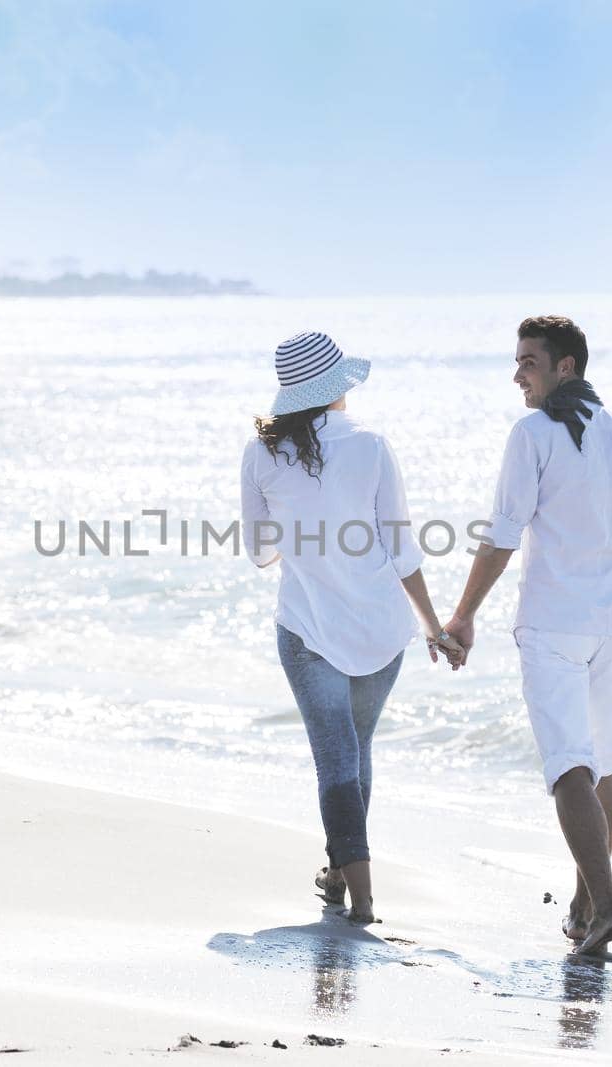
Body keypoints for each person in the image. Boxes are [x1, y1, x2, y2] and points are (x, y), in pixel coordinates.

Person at [442, 315, 612, 958]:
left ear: (566, 366)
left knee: (570, 769)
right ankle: (586, 908)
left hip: (553, 626)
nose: (517, 374)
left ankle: (608, 905)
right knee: (603, 769)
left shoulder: (532, 435)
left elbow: (503, 533)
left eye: (528, 361)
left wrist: (463, 615)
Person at [241, 331, 463, 925]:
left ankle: (360, 898)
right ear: (337, 387)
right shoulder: (371, 445)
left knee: (336, 760)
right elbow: (403, 549)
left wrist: (300, 529)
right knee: (355, 753)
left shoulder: (261, 452)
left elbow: (259, 553)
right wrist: (433, 626)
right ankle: (340, 873)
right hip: (381, 633)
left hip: (308, 629)